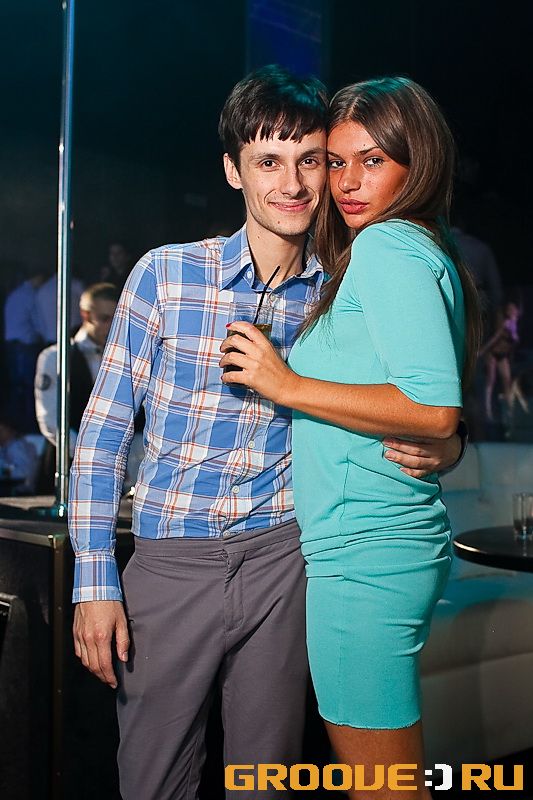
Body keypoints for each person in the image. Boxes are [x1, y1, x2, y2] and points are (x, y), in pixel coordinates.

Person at [69, 66, 464, 800]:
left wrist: (450, 442)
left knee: (267, 782)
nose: (293, 183)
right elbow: (102, 433)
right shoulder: (167, 275)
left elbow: (414, 395)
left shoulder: (341, 282)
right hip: (172, 561)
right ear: (233, 170)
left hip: (286, 561)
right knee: (154, 782)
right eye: (268, 161)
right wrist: (93, 579)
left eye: (310, 160)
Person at [221, 76, 480, 800]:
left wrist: (285, 384)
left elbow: (433, 408)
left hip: (364, 554)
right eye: (336, 162)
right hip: (379, 544)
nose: (347, 182)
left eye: (373, 160)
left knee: (383, 788)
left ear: (418, 161)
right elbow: (434, 411)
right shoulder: (409, 246)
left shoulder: (388, 245)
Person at [35, 283, 144, 492]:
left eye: (117, 319)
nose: (112, 326)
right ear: (86, 315)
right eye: (104, 319)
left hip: (124, 473)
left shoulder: (131, 357)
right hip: (68, 466)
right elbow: (51, 421)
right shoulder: (56, 357)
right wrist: (94, 457)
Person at [4, 266, 47, 431]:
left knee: (17, 386)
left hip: (11, 344)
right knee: (29, 386)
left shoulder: (14, 294)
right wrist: (43, 336)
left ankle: (16, 423)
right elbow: (37, 320)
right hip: (26, 345)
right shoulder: (30, 295)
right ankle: (29, 424)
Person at [479, 300, 524, 423]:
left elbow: (513, 345)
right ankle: (488, 410)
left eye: (513, 309)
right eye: (509, 309)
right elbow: (495, 338)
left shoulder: (515, 324)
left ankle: (509, 411)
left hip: (503, 355)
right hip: (493, 353)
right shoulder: (506, 324)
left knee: (507, 381)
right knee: (491, 380)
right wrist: (483, 351)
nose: (512, 311)